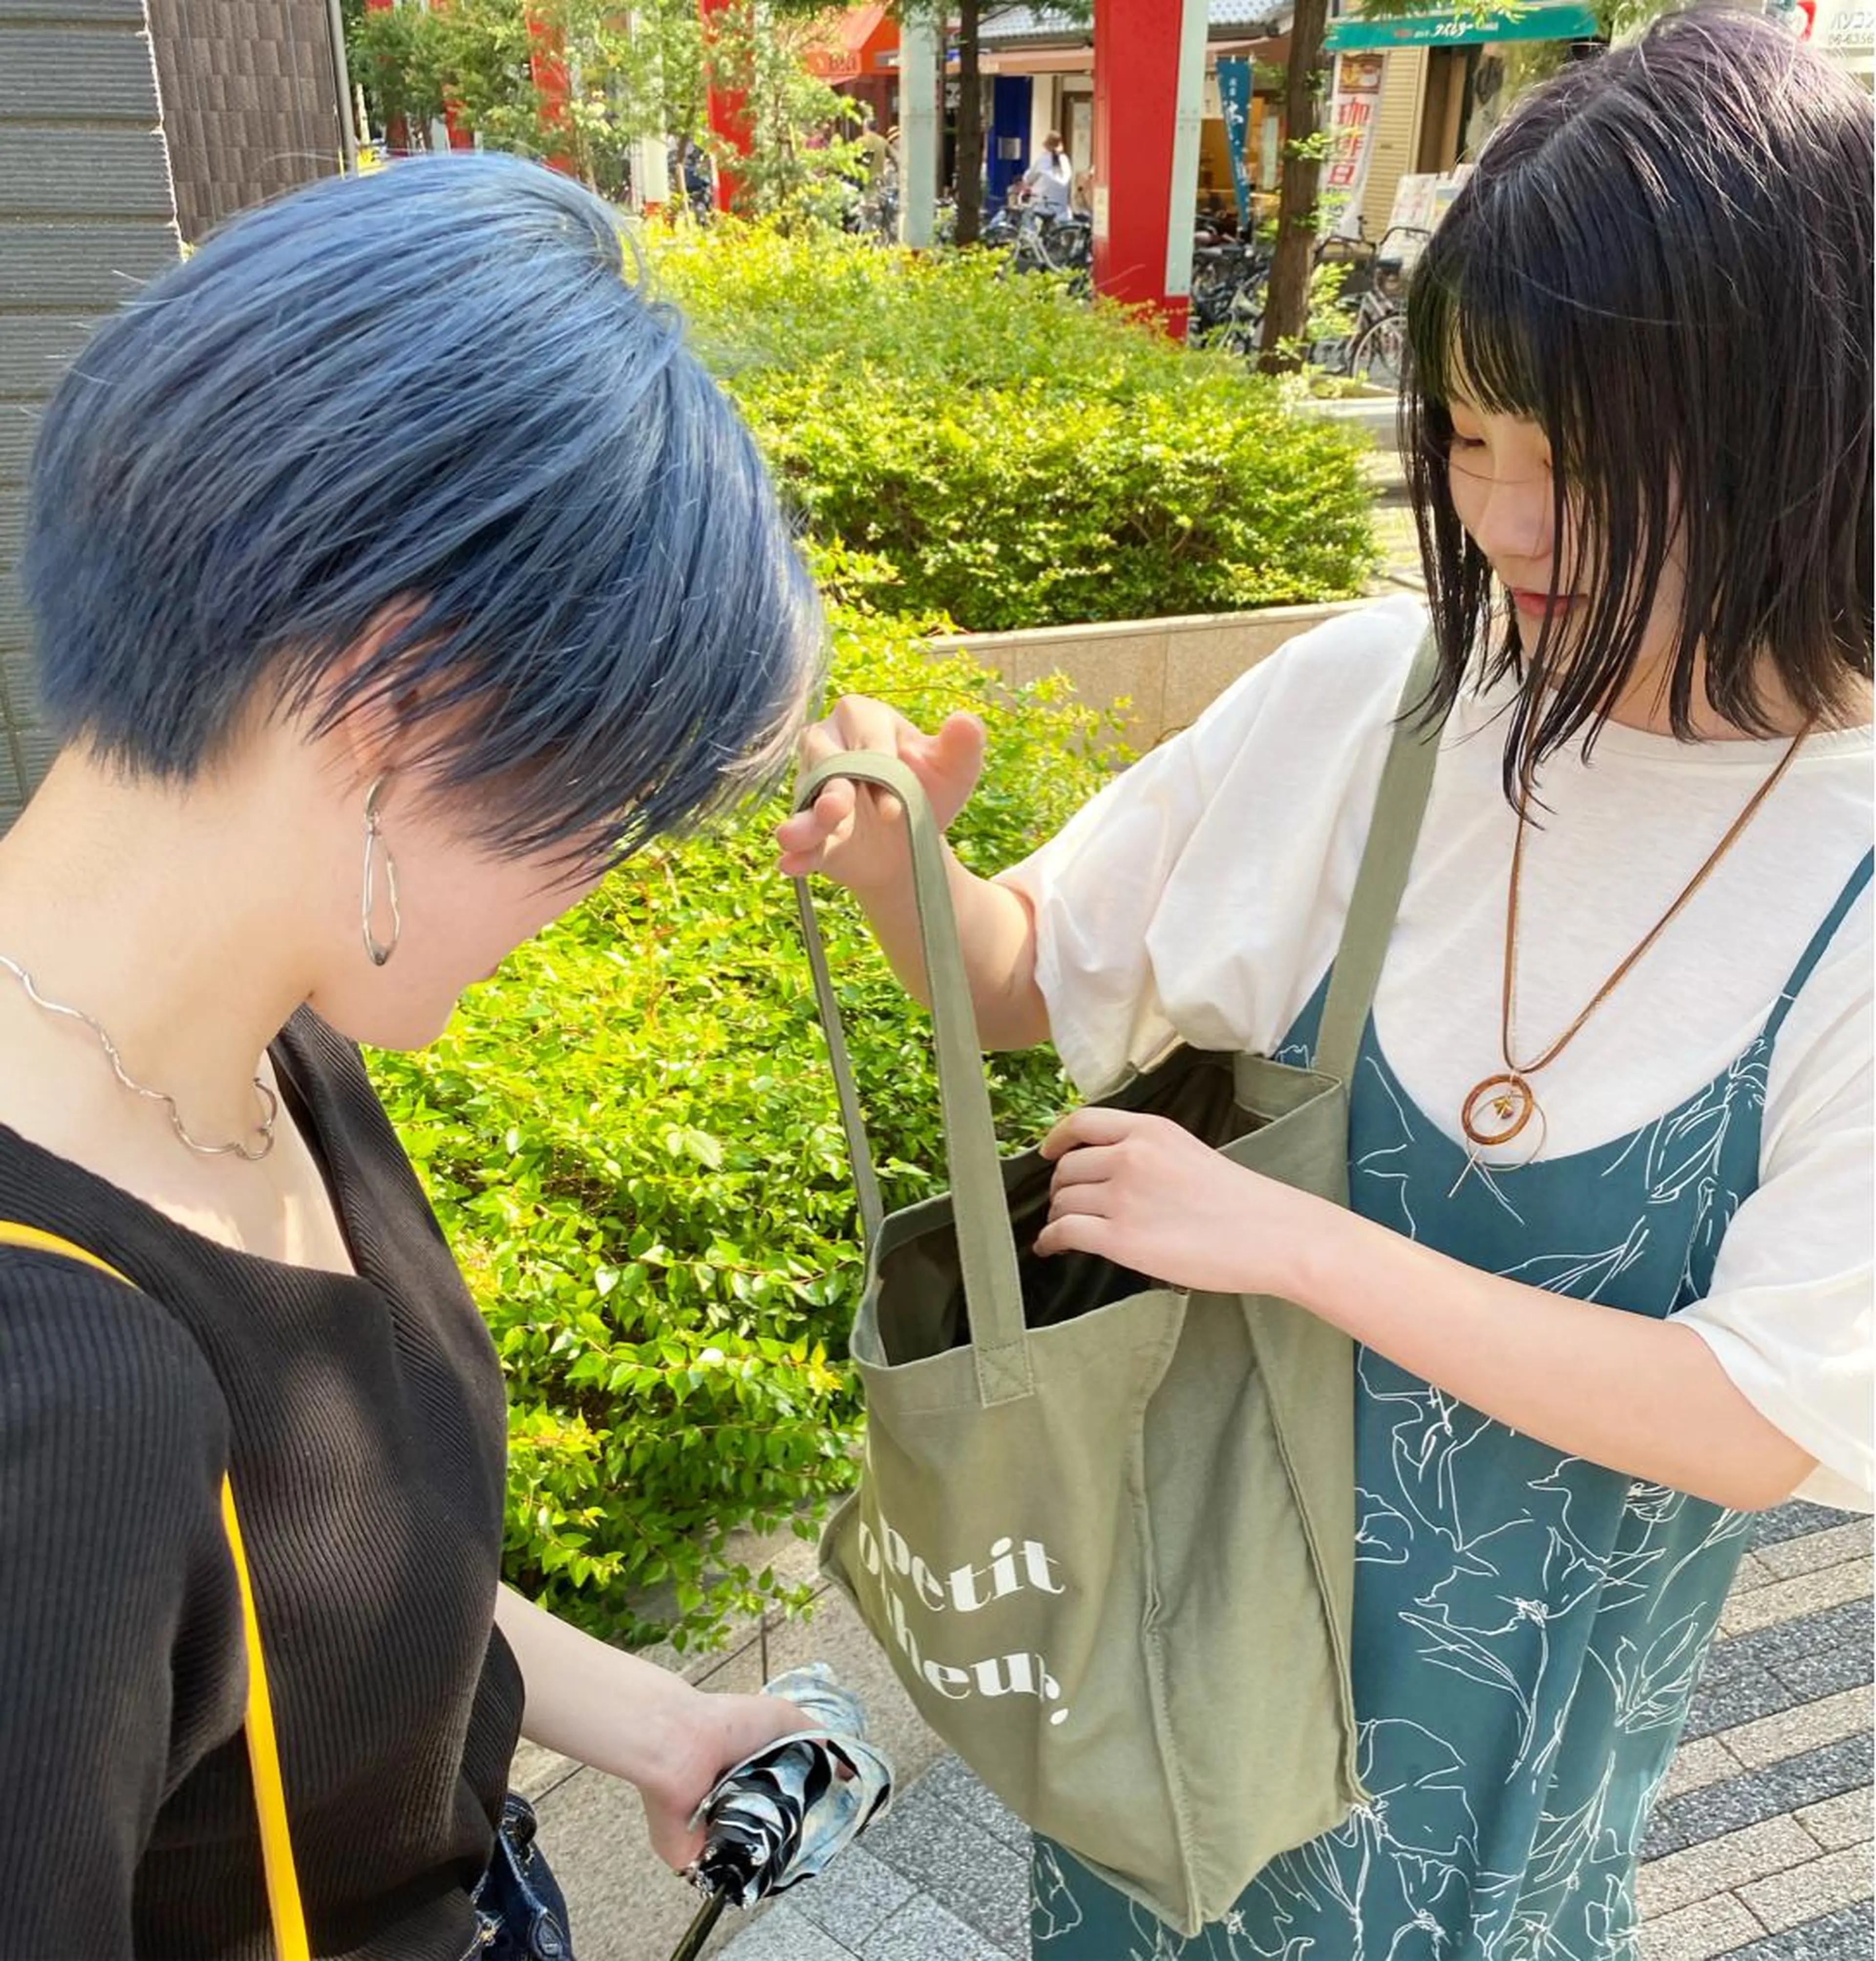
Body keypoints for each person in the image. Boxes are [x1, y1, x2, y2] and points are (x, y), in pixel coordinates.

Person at [775, 12, 1872, 1956]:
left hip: (1483, 1846)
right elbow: (1040, 974)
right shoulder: (1380, 701)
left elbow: (1759, 1416)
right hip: (1162, 1735)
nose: (1503, 524)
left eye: (1583, 460)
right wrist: (910, 885)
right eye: (1465, 437)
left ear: (1805, 432)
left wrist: (1287, 1239)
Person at [0, 154, 824, 1957]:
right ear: (399, 702)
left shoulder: (264, 1039)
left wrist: (655, 1719)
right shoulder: (50, 1398)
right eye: (604, 808)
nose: (594, 884)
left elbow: (317, 1594)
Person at [1013, 129, 1074, 220]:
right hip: (1063, 209)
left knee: (1029, 223)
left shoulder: (1042, 160)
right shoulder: (1065, 160)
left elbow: (1029, 178)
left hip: (1043, 206)